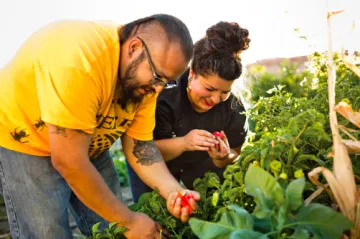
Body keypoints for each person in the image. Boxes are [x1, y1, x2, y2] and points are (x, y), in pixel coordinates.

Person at [0, 14, 200, 239]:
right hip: (26, 141)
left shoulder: (144, 81)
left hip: (87, 142)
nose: (158, 90)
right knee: (46, 232)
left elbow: (140, 146)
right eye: (157, 77)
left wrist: (174, 191)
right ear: (134, 48)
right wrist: (129, 221)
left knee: (110, 226)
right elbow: (69, 161)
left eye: (167, 82)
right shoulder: (80, 60)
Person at [127, 21, 250, 202]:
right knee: (154, 215)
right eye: (209, 89)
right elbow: (142, 150)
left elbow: (235, 153)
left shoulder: (234, 107)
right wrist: (184, 142)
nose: (215, 99)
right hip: (153, 164)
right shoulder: (162, 94)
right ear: (192, 74)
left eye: (225, 92)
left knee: (204, 208)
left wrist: (223, 157)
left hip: (199, 166)